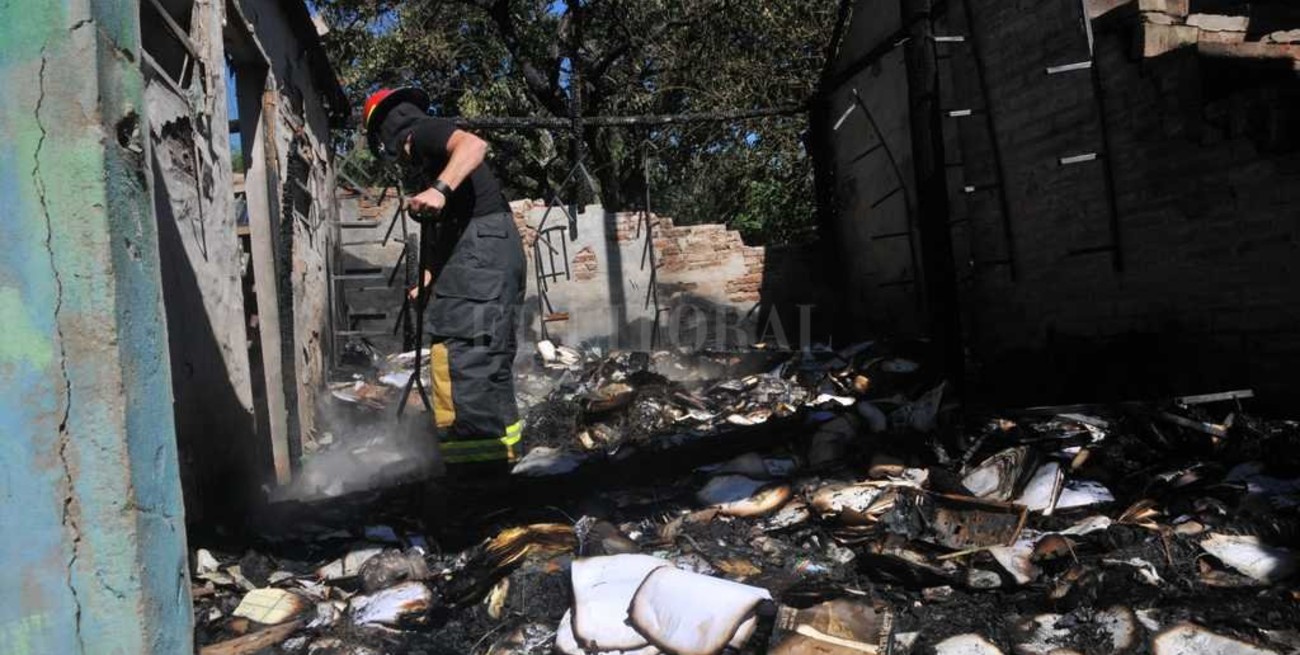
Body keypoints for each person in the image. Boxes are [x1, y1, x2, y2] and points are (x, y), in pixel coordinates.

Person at [362, 87, 526, 465]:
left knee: (460, 361)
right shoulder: (429, 158)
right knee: (490, 358)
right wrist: (430, 277)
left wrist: (438, 190)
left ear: (385, 133)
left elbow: (473, 145)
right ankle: (506, 457)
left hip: (481, 253)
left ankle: (475, 474)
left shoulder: (419, 134)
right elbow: (451, 228)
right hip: (495, 251)